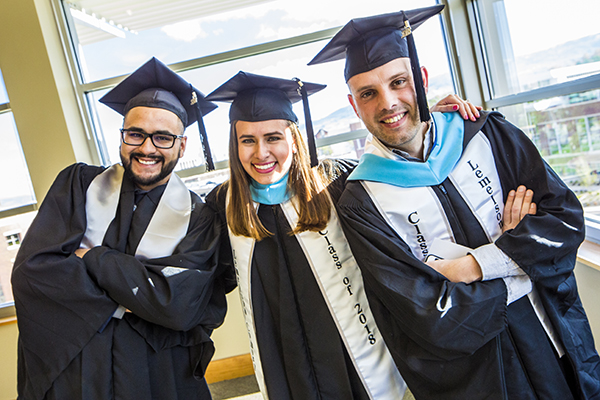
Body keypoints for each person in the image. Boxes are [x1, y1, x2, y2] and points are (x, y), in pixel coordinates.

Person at [309, 4, 600, 400]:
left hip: (555, 338)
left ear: (422, 79)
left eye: (399, 82)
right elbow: (422, 312)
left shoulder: (486, 134)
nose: (388, 102)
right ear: (354, 104)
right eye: (369, 93)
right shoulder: (361, 202)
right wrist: (522, 258)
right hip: (480, 376)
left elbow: (563, 220)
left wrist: (471, 267)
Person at [202, 71, 509, 399]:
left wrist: (431, 122)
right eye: (247, 140)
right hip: (283, 361)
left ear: (294, 138)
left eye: (273, 137)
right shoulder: (224, 205)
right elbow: (212, 278)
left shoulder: (338, 182)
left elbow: (403, 173)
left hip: (357, 354)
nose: (261, 153)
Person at [11, 57, 235, 400]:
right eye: (136, 134)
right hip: (76, 370)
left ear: (183, 145)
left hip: (157, 375)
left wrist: (93, 258)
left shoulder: (199, 218)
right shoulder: (77, 184)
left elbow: (178, 305)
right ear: (122, 136)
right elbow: (35, 273)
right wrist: (138, 293)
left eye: (163, 137)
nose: (147, 148)